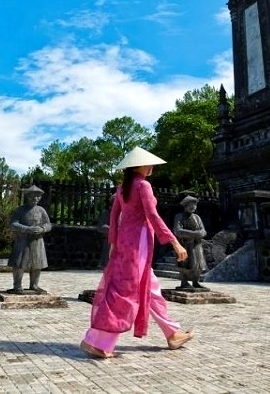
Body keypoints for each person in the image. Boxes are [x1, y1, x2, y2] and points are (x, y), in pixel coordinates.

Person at [81, 147, 194, 359]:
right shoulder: (143, 185)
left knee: (150, 289)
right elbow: (153, 216)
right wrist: (174, 242)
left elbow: (114, 219)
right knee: (125, 291)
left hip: (125, 243)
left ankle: (173, 333)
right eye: (148, 162)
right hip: (138, 244)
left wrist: (114, 244)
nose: (151, 166)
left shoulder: (122, 187)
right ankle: (97, 341)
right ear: (137, 165)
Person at [8, 184, 52, 293]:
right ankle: (17, 286)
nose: (35, 199)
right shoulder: (20, 210)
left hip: (37, 241)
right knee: (19, 264)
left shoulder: (41, 210)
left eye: (37, 197)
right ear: (27, 197)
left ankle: (34, 285)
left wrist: (42, 229)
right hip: (23, 241)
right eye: (32, 196)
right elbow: (13, 224)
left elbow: (48, 224)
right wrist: (27, 229)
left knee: (37, 263)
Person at [173, 195, 208, 289]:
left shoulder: (197, 217)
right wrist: (195, 233)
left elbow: (203, 231)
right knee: (185, 264)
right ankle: (184, 282)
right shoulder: (179, 216)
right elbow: (177, 231)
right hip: (185, 244)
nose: (193, 207)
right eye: (190, 205)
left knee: (199, 264)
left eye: (194, 205)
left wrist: (201, 233)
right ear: (185, 206)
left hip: (197, 244)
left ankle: (196, 282)